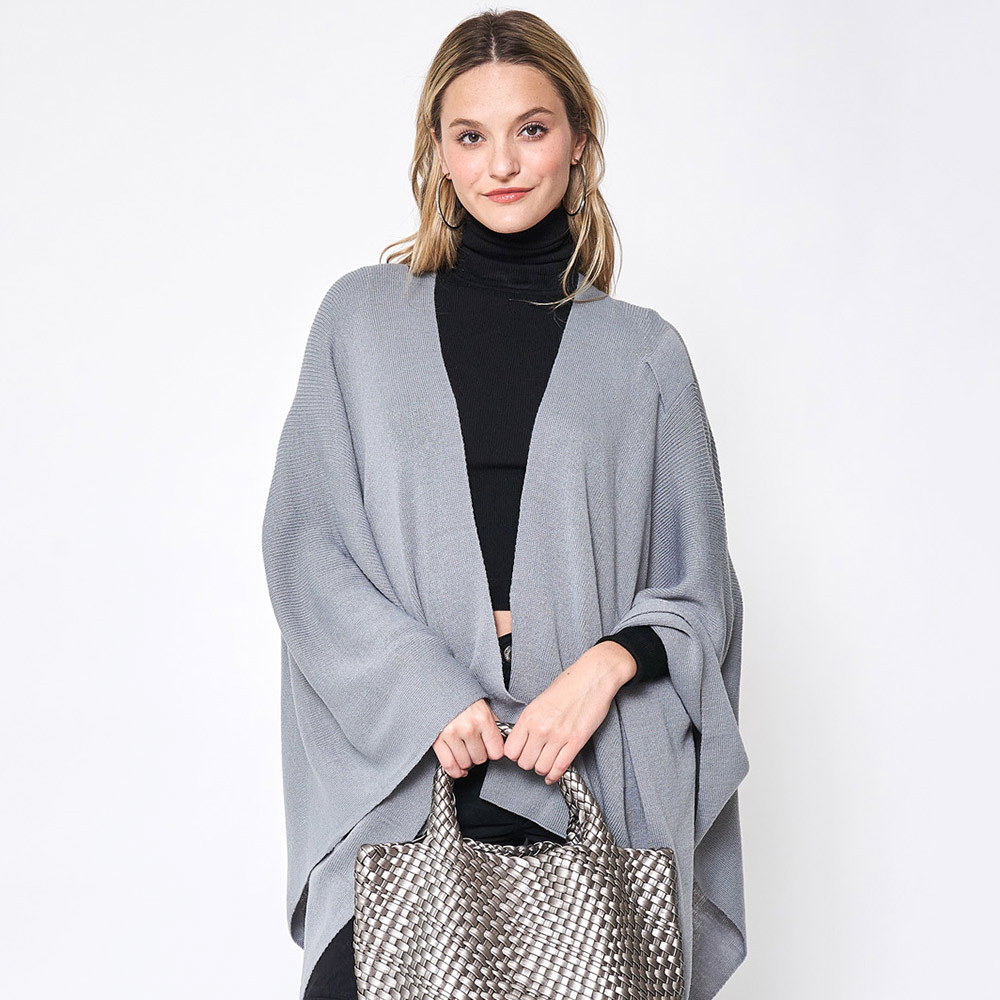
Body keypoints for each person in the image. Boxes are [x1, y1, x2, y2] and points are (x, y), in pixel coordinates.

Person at [262, 10, 749, 1000]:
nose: (502, 164)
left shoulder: (644, 354)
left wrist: (604, 668)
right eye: (470, 135)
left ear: (578, 139)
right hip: (409, 781)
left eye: (531, 128)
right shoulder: (360, 321)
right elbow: (306, 548)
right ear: (437, 153)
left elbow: (701, 591)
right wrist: (426, 687)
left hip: (590, 774)